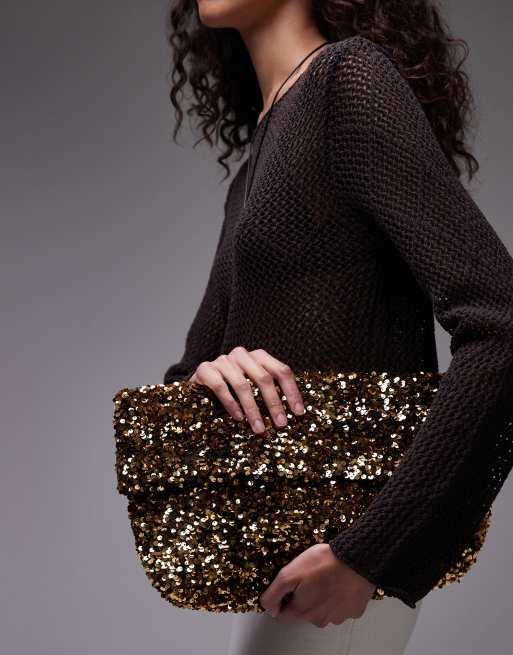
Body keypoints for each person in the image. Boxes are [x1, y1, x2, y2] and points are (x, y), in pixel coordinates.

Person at [162, 1, 513, 652]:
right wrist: (208, 377)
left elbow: (502, 325)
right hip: (286, 565)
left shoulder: (345, 83)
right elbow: (185, 375)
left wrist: (369, 555)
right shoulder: (263, 148)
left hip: (339, 571)